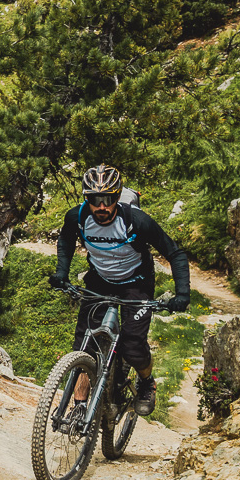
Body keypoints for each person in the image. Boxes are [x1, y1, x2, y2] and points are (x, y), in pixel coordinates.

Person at [48, 165, 191, 419]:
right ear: (87, 199)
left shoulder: (137, 221)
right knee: (84, 347)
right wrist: (62, 273)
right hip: (100, 281)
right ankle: (79, 407)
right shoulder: (77, 217)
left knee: (133, 347)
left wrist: (182, 294)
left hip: (137, 282)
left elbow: (175, 253)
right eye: (95, 199)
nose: (102, 206)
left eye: (108, 199)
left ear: (117, 197)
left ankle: (146, 383)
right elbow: (66, 241)